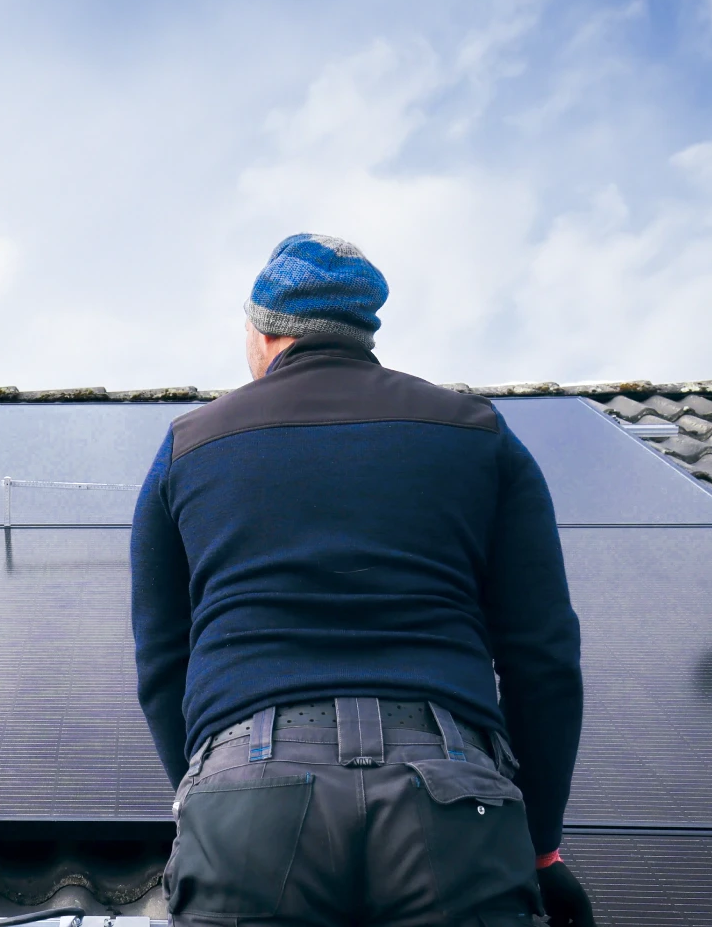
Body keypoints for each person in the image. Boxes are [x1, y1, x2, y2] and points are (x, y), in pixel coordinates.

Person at [130, 235, 595, 926]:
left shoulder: (188, 445)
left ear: (261, 334)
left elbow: (164, 661)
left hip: (245, 791)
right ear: (362, 333)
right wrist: (540, 846)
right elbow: (544, 656)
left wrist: (212, 794)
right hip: (452, 792)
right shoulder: (478, 432)